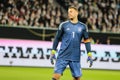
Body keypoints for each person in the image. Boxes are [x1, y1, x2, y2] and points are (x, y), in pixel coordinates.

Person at [50, 6, 93, 80]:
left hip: (75, 56)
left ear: (76, 13)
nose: (69, 13)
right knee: (56, 76)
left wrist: (89, 54)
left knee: (77, 78)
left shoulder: (83, 27)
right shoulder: (63, 25)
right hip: (63, 55)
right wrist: (53, 51)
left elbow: (87, 41)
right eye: (68, 12)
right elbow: (57, 38)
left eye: (71, 11)